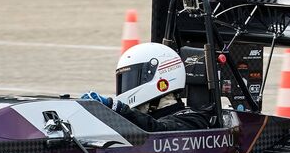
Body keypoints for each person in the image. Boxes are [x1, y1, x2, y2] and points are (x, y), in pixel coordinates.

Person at [82, 42, 217, 132]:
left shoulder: (192, 119)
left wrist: (116, 107)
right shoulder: (145, 118)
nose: (128, 87)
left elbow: (157, 131)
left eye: (133, 79)